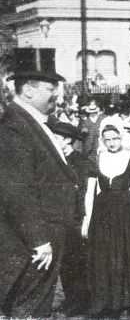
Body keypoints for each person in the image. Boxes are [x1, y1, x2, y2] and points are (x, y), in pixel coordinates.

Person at [0, 48, 79, 318]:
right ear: (28, 91)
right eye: (50, 88)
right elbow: (16, 189)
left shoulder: (31, 122)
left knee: (37, 306)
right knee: (30, 308)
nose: (56, 94)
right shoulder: (14, 127)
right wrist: (39, 240)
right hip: (36, 242)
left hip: (47, 235)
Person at [82, 121, 130, 318]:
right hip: (102, 214)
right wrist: (87, 219)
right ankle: (107, 303)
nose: (112, 143)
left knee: (124, 257)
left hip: (127, 214)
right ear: (103, 141)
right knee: (105, 258)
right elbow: (90, 192)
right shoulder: (95, 160)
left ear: (121, 138)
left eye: (115, 139)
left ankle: (124, 303)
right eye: (108, 140)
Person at [48, 121, 92, 316]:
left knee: (77, 263)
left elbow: (85, 193)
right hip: (59, 220)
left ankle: (80, 303)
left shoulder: (82, 163)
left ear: (67, 139)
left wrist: (84, 220)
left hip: (76, 220)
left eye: (55, 137)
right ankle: (70, 300)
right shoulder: (54, 160)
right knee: (65, 263)